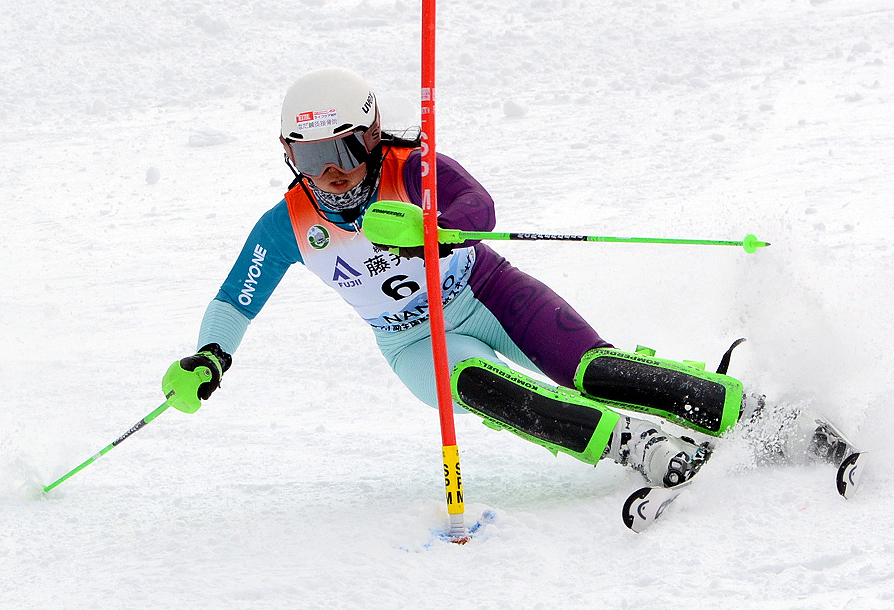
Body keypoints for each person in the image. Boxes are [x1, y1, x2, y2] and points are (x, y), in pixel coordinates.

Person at [160, 67, 841, 490]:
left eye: (344, 150)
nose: (332, 173)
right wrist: (208, 357)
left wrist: (430, 225)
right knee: (488, 388)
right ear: (288, 154)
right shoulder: (287, 224)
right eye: (311, 157)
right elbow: (235, 300)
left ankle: (752, 414)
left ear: (371, 137)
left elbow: (477, 209)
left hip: (488, 290)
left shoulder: (412, 167)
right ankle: (632, 444)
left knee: (593, 369)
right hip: (414, 342)